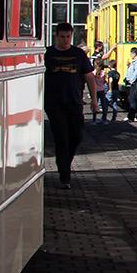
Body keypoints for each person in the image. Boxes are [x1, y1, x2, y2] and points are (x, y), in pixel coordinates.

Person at [44, 21, 98, 189]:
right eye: (62, 37)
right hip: (54, 103)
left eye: (68, 37)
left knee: (76, 136)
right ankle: (64, 175)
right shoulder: (48, 53)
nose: (65, 40)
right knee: (61, 138)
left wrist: (94, 100)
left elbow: (89, 77)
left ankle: (65, 162)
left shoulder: (78, 54)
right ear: (56, 36)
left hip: (74, 101)